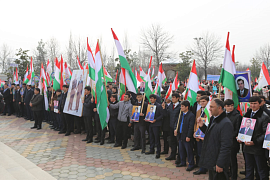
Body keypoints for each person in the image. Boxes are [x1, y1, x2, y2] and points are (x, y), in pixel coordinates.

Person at [197, 98, 233, 180]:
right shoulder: (214, 118)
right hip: (212, 158)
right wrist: (202, 126)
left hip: (218, 160)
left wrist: (220, 163)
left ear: (219, 108)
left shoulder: (226, 123)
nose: (209, 109)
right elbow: (211, 133)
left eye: (212, 107)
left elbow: (226, 146)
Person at [237, 96, 269, 180]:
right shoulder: (247, 114)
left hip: (258, 147)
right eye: (251, 103)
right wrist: (240, 137)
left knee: (261, 168)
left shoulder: (264, 116)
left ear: (260, 104)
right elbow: (243, 128)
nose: (253, 105)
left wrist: (255, 141)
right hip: (247, 146)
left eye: (255, 103)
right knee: (249, 167)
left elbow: (265, 133)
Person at [174, 100, 195, 171]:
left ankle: (191, 164)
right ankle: (183, 162)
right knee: (181, 150)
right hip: (180, 135)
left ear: (187, 107)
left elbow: (191, 127)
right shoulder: (181, 114)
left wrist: (189, 136)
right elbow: (177, 123)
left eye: (182, 106)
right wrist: (175, 129)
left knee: (189, 151)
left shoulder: (191, 115)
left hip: (186, 136)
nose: (181, 108)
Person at [224, 99, 242, 180]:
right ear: (224, 107)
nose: (230, 107)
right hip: (224, 142)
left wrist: (228, 136)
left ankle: (234, 176)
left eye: (231, 105)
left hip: (232, 142)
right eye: (228, 106)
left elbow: (237, 130)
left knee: (232, 160)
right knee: (225, 160)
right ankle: (227, 175)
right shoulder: (223, 115)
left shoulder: (237, 116)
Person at [193, 95, 209, 175]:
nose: (202, 103)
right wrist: (195, 131)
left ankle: (205, 167)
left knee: (206, 152)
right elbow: (196, 123)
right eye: (200, 101)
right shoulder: (199, 111)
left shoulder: (209, 111)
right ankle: (202, 168)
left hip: (206, 135)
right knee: (199, 152)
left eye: (204, 101)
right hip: (198, 135)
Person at [145, 94, 163, 159]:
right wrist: (146, 118)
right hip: (150, 124)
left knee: (157, 138)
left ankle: (158, 152)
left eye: (152, 98)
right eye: (150, 98)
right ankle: (151, 150)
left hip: (156, 124)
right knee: (151, 137)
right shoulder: (149, 106)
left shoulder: (158, 106)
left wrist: (156, 120)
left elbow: (161, 115)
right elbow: (148, 114)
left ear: (155, 99)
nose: (151, 100)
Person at [164, 93, 181, 161]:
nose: (172, 98)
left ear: (177, 98)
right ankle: (172, 155)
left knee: (179, 143)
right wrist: (164, 109)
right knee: (172, 142)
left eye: (174, 97)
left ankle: (180, 158)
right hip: (171, 127)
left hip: (177, 128)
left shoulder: (180, 106)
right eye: (172, 97)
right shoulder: (171, 105)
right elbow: (167, 115)